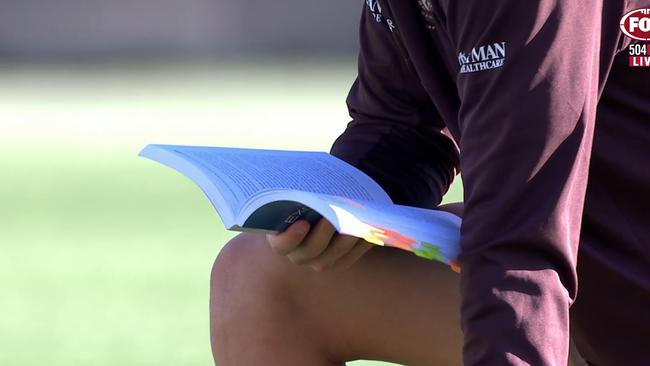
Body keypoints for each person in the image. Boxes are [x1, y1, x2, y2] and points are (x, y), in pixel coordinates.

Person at [209, 0, 650, 365]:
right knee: (261, 278)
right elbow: (403, 127)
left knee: (510, 258)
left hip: (608, 285)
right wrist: (342, 207)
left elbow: (520, 243)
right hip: (599, 279)